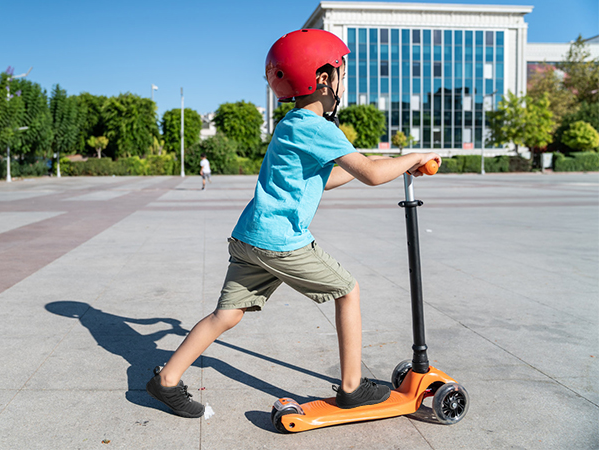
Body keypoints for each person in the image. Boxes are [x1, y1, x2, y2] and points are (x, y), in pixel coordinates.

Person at [146, 29, 441, 419]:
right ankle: (353, 387)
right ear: (322, 80)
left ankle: (165, 380)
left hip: (250, 235)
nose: (342, 80)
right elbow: (371, 173)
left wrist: (376, 166)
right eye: (340, 72)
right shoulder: (318, 127)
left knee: (227, 314)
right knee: (348, 291)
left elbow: (323, 180)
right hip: (280, 241)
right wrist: (411, 157)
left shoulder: (292, 123)